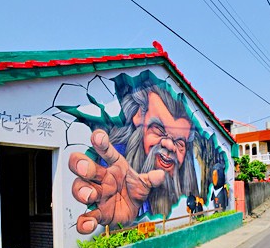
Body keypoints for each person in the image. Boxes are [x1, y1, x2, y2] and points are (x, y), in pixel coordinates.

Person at [69, 73, 200, 234]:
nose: (169, 145)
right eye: (159, 130)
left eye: (180, 143)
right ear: (138, 116)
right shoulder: (115, 167)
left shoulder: (182, 185)